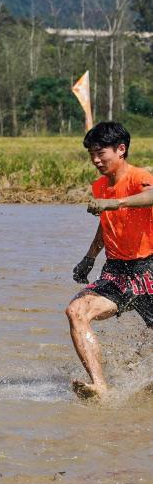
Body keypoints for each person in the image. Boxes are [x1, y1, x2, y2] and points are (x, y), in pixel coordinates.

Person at [67, 121, 153, 400]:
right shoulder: (100, 186)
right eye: (91, 154)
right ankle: (99, 386)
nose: (95, 160)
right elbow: (106, 224)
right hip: (116, 271)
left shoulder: (139, 177)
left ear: (121, 149)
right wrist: (89, 257)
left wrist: (115, 203)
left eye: (100, 153)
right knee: (76, 311)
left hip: (148, 269)